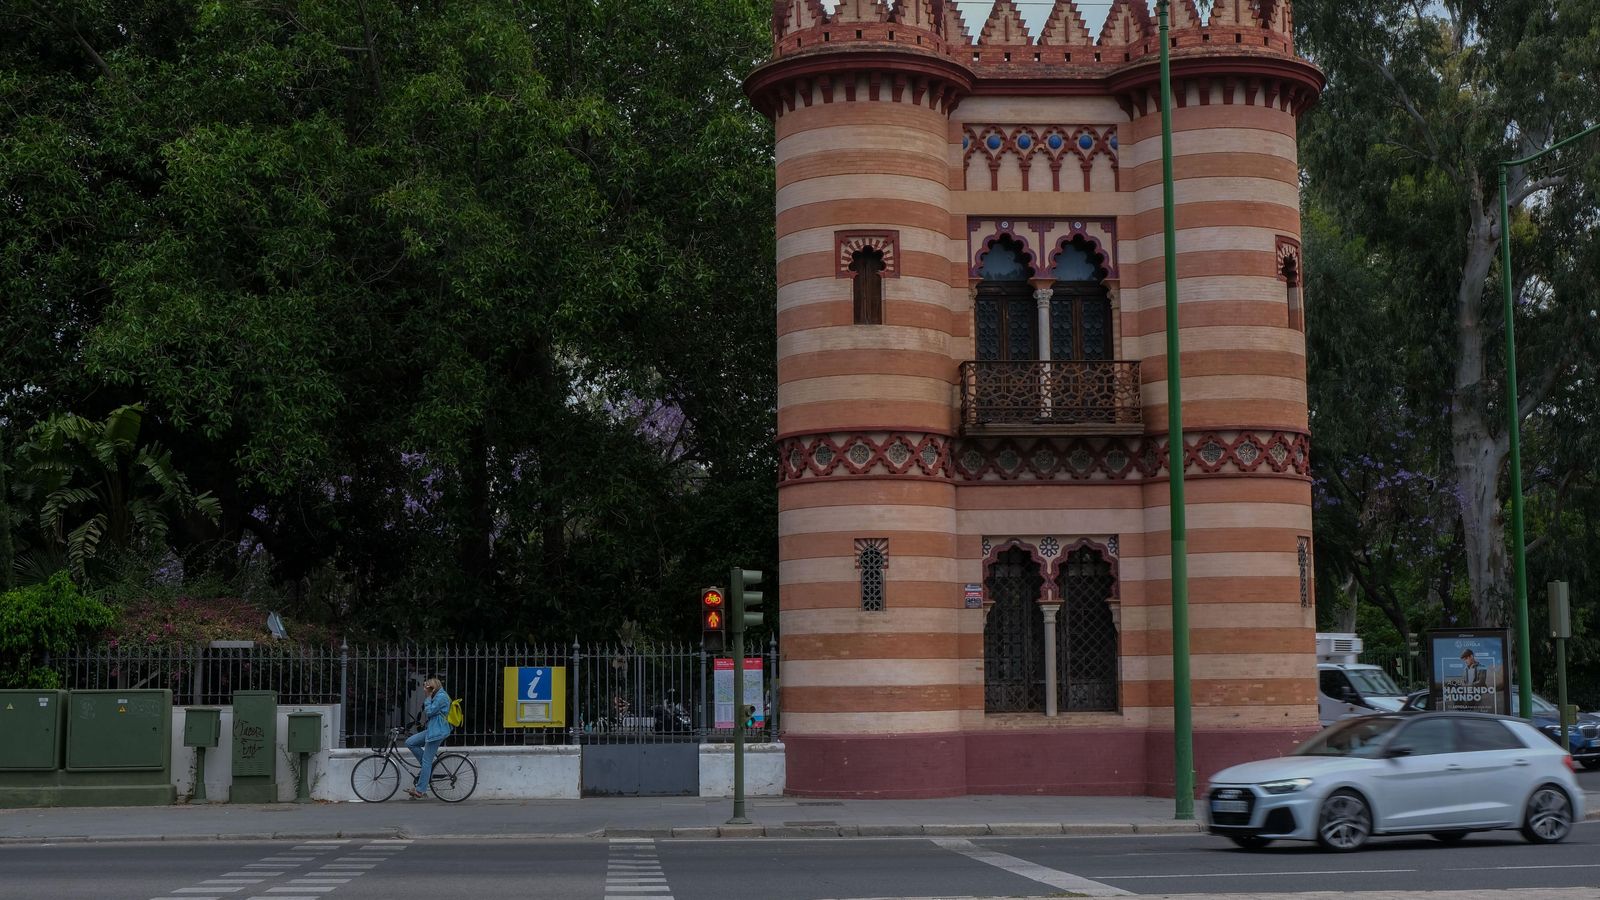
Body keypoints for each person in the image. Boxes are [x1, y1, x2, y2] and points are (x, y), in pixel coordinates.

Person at [405, 677, 453, 799]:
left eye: (427, 687)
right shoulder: (436, 696)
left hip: (437, 732)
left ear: (433, 687)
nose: (425, 690)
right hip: (432, 730)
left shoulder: (441, 696)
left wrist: (428, 697)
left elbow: (430, 711)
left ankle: (420, 790)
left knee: (427, 761)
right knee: (410, 742)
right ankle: (427, 769)